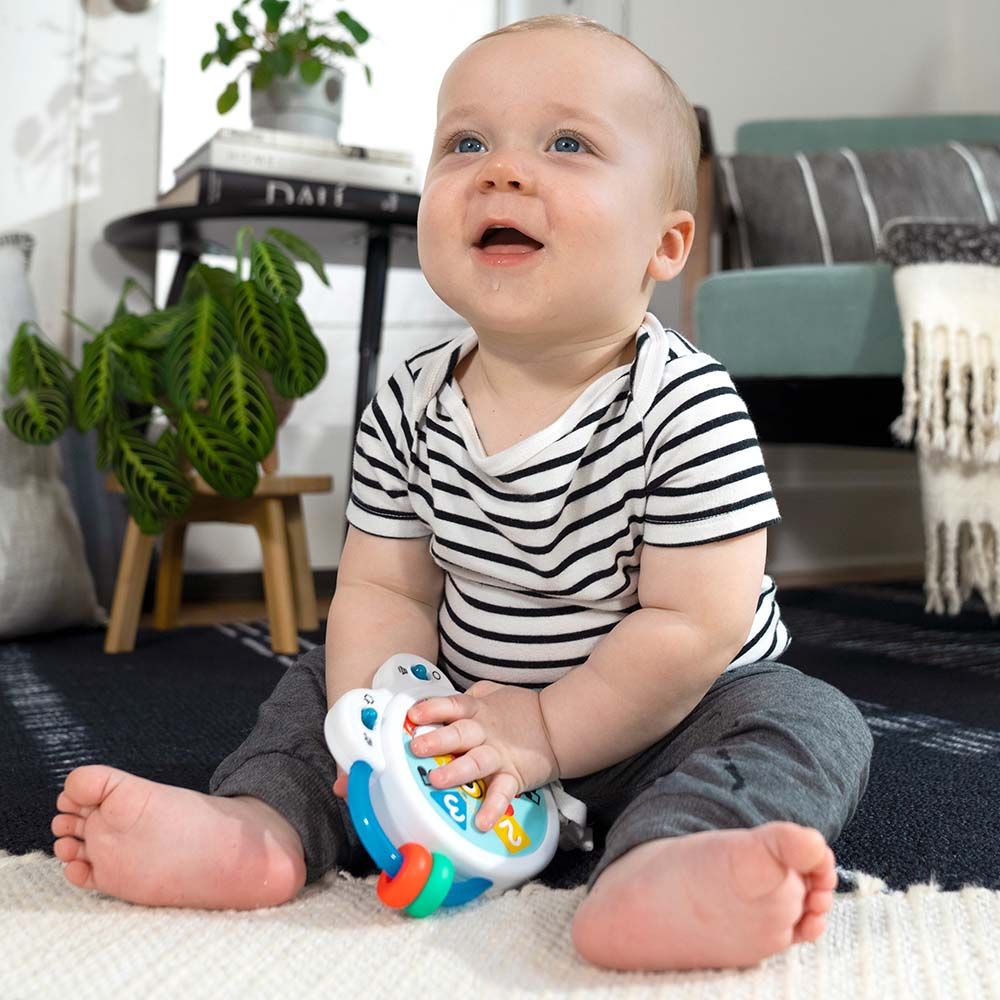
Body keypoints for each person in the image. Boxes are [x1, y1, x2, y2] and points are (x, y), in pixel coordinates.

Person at [50, 14, 873, 972]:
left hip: (667, 714)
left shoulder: (686, 406)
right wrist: (385, 740)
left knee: (809, 720)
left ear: (665, 244)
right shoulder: (407, 400)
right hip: (462, 706)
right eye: (466, 142)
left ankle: (669, 862)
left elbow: (693, 626)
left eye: (567, 143)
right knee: (320, 684)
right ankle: (257, 828)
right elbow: (386, 591)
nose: (503, 170)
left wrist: (546, 731)